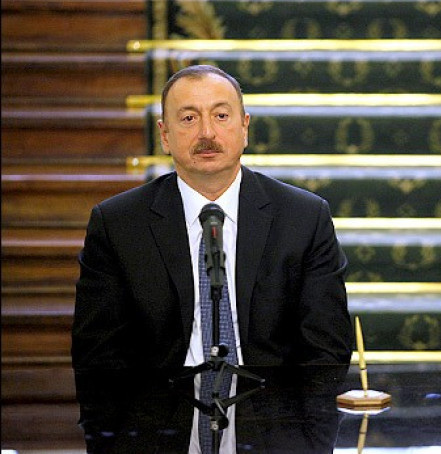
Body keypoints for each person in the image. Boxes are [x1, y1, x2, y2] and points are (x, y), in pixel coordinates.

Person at [71, 64, 354, 452]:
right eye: (189, 118)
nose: (207, 133)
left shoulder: (303, 217)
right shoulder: (118, 224)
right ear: (165, 135)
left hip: (274, 424)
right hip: (155, 427)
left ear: (244, 128)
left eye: (221, 116)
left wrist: (309, 443)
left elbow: (326, 351)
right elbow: (98, 356)